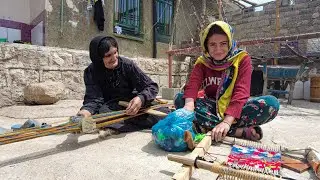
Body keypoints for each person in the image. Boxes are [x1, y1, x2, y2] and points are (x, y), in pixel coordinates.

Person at [174, 21, 280, 142]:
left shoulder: (241, 59)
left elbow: (242, 91)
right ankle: (238, 132)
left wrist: (227, 122)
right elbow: (192, 85)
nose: (218, 49)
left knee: (271, 104)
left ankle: (206, 128)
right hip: (211, 108)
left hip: (236, 109)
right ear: (206, 46)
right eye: (212, 44)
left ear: (229, 42)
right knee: (180, 99)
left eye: (223, 43)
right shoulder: (202, 62)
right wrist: (188, 106)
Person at [77, 36, 169, 133]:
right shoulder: (91, 72)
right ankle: (113, 125)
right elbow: (93, 99)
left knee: (162, 112)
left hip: (131, 103)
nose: (114, 58)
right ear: (99, 58)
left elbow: (151, 86)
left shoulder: (128, 65)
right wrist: (84, 113)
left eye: (115, 52)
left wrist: (140, 99)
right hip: (110, 108)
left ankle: (115, 126)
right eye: (108, 55)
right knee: (103, 115)